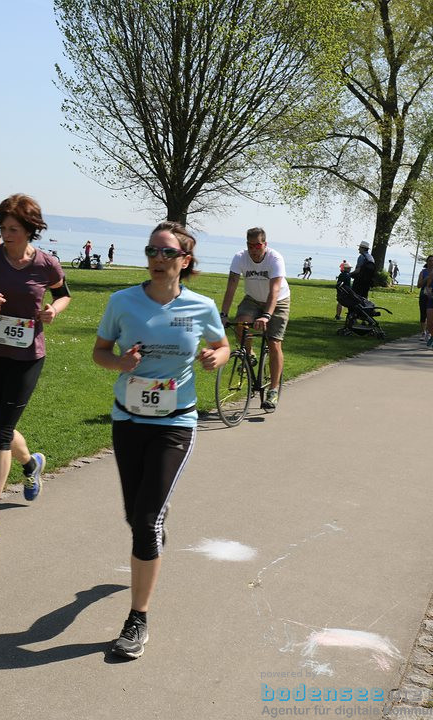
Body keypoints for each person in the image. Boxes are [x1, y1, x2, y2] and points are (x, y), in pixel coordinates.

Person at [92, 221, 229, 659]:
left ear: (184, 261)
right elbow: (99, 352)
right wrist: (119, 363)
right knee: (135, 517)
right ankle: (153, 519)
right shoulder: (122, 302)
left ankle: (137, 618)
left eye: (167, 252)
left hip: (175, 422)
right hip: (128, 419)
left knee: (146, 520)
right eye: (152, 250)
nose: (157, 258)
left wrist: (214, 357)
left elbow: (222, 345)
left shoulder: (202, 305)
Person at [0, 194, 71, 540]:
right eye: (2, 228)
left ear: (29, 230)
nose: (6, 234)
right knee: (0, 426)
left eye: (13, 229)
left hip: (29, 357)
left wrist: (55, 310)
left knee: (1, 433)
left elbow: (64, 293)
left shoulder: (46, 264)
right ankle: (31, 464)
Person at [219, 227, 289, 410]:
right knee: (241, 324)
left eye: (257, 245)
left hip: (278, 300)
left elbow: (274, 291)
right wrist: (223, 314)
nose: (254, 249)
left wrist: (267, 315)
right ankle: (249, 354)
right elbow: (231, 286)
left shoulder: (275, 258)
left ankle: (273, 390)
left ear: (265, 244)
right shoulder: (239, 257)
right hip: (252, 299)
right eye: (250, 245)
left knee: (274, 343)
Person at [416, 255, 433, 341]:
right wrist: (427, 278)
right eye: (430, 261)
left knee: (431, 315)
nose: (431, 262)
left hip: (432, 296)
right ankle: (423, 332)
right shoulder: (423, 272)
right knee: (423, 314)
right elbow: (418, 285)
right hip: (423, 295)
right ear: (427, 262)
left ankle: (429, 332)